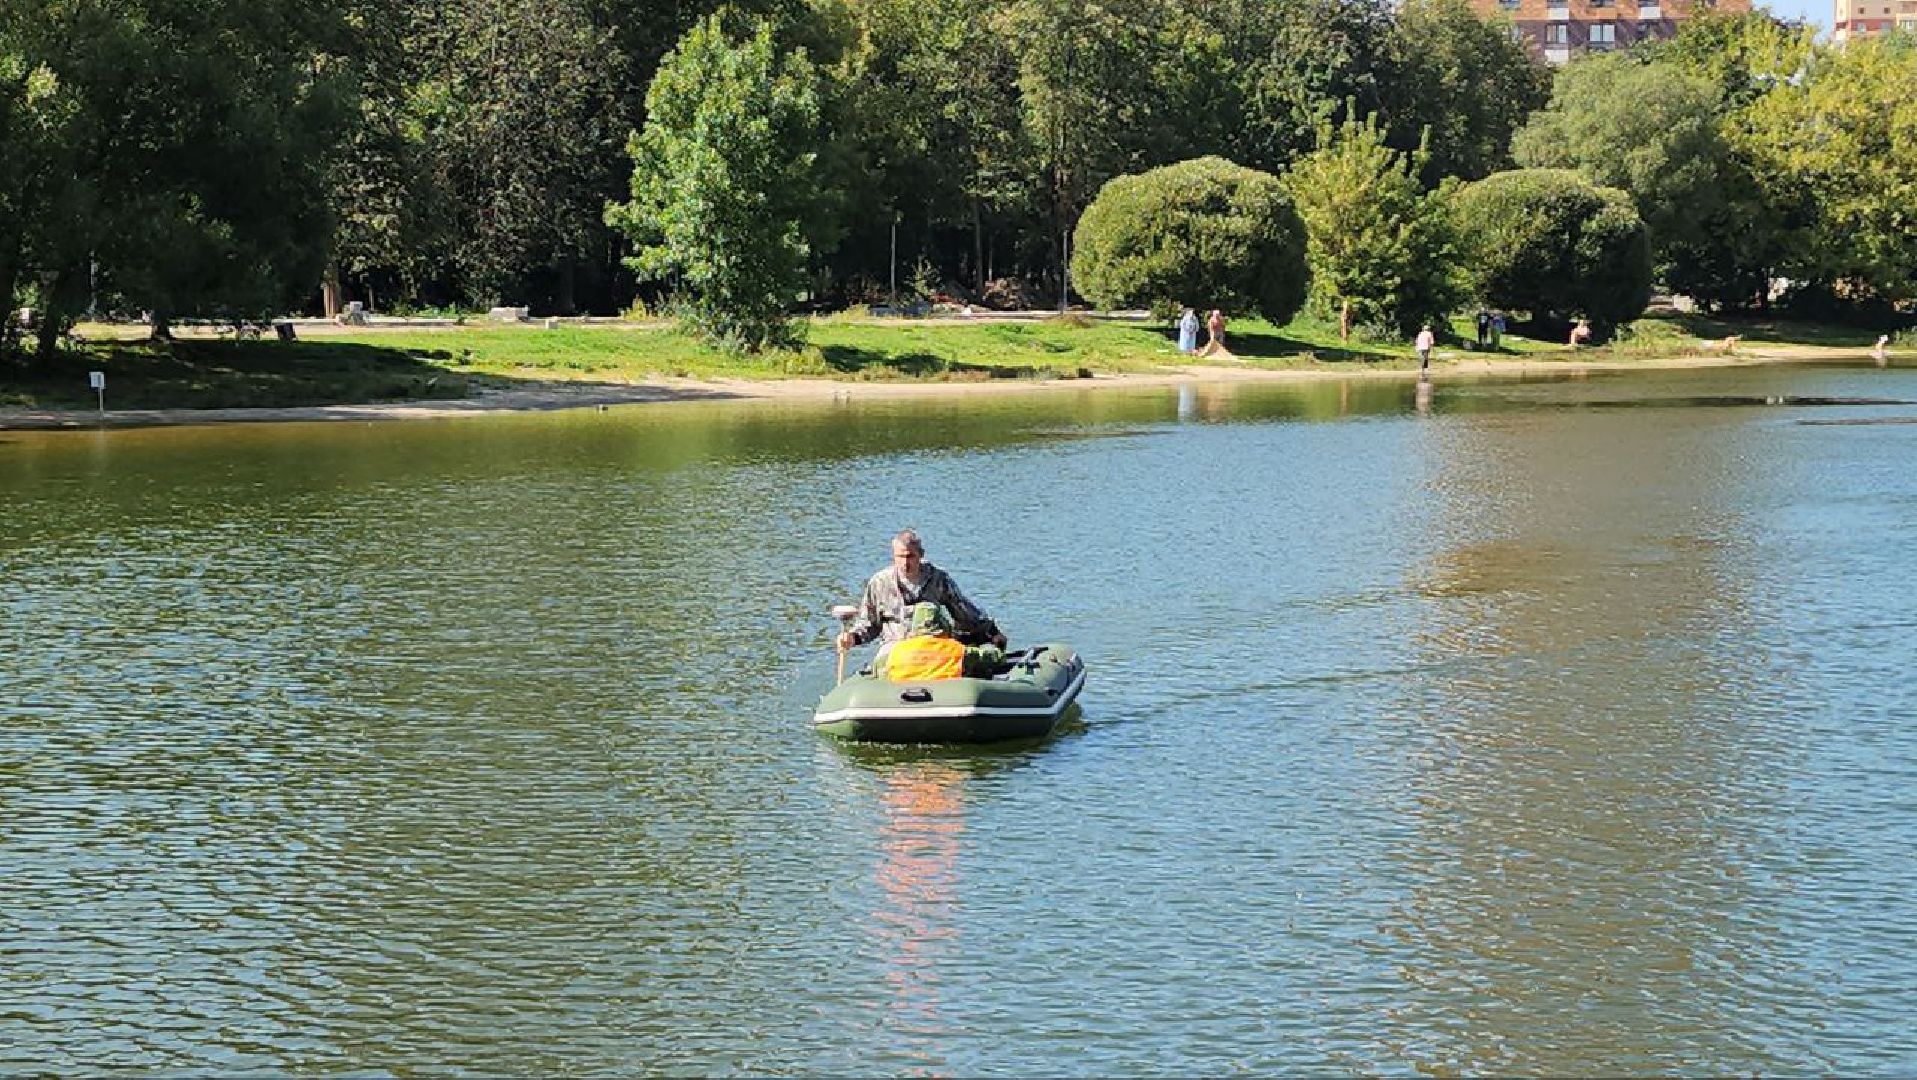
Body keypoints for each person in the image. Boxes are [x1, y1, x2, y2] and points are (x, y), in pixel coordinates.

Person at [838, 529, 1006, 652]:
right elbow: (870, 624)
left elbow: (964, 611)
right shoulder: (879, 583)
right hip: (894, 648)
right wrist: (852, 638)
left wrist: (992, 632)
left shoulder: (938, 578)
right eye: (900, 557)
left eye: (910, 556)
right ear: (893, 556)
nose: (905, 563)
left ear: (921, 554)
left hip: (931, 646)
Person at [878, 603, 1004, 682]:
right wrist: (997, 646)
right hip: (949, 698)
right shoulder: (955, 650)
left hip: (901, 701)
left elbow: (879, 669)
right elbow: (992, 657)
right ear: (942, 624)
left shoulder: (896, 651)